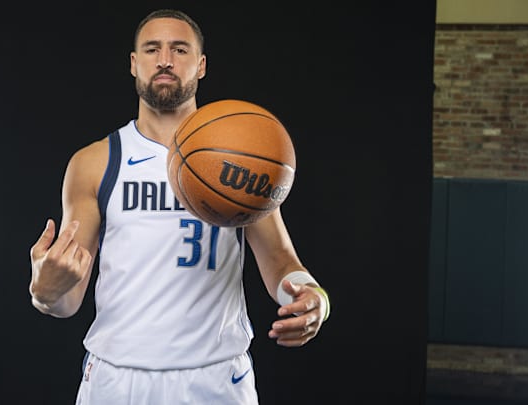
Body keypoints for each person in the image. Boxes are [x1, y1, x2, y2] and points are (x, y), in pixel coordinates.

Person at [28, 8, 330, 404]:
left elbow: (280, 259)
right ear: (134, 64)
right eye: (152, 49)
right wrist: (44, 291)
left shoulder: (245, 154)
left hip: (217, 378)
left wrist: (312, 297)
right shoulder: (96, 162)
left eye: (180, 49)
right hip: (118, 379)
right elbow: (66, 300)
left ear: (201, 65)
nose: (165, 59)